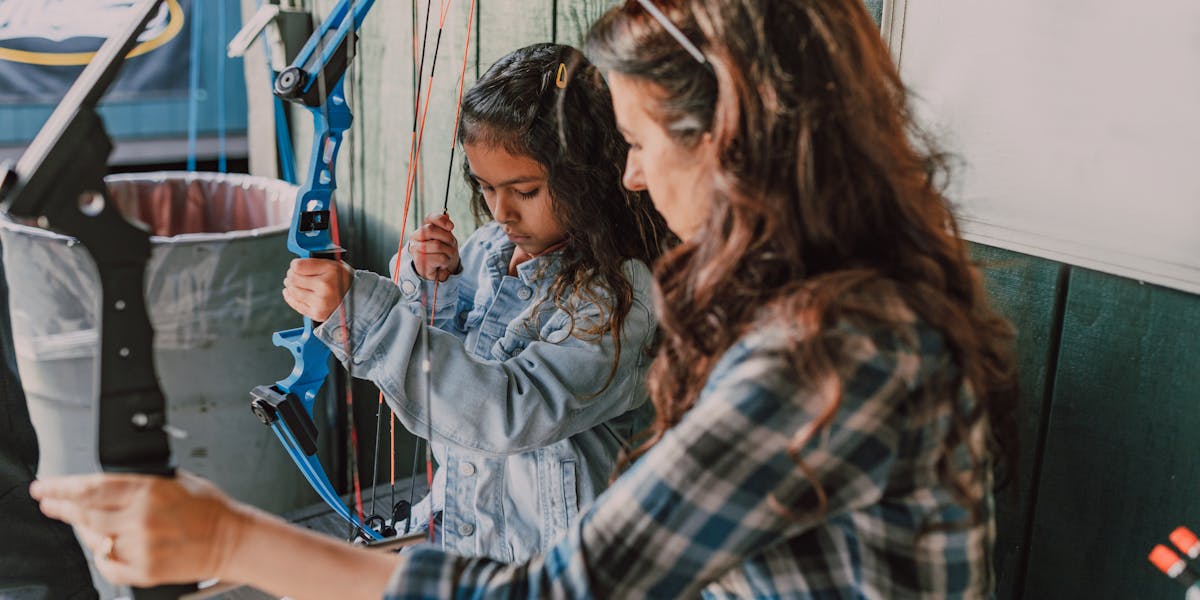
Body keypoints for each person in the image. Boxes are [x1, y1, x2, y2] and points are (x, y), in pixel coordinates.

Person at [31, 0, 1019, 597]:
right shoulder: (817, 310)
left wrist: (232, 537)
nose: (633, 179)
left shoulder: (829, 353)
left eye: (639, 145)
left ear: (731, 136)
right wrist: (419, 290)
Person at [281, 42, 672, 562]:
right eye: (485, 187)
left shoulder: (621, 297)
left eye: (525, 190)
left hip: (559, 568)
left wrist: (365, 319)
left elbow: (503, 411)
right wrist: (429, 279)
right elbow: (445, 358)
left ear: (590, 178)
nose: (501, 211)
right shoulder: (489, 250)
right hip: (467, 536)